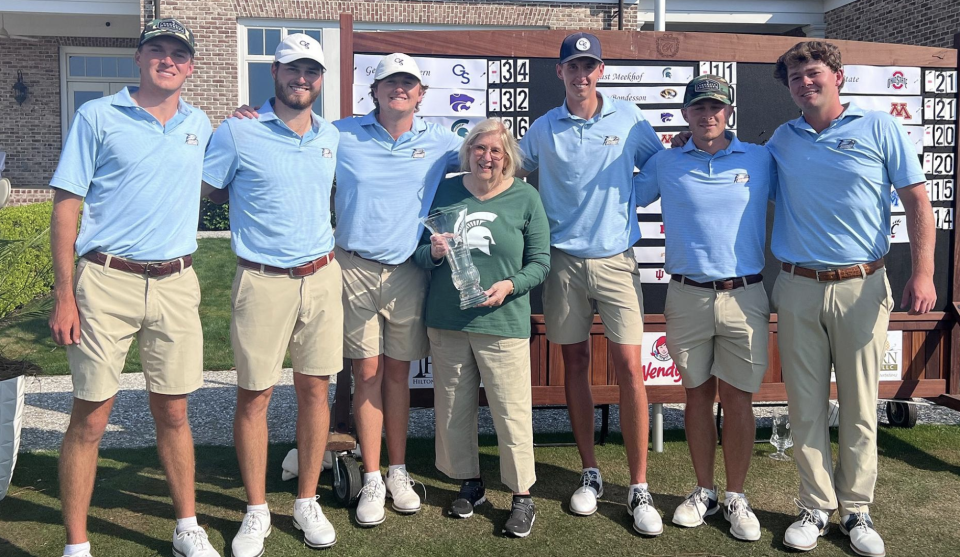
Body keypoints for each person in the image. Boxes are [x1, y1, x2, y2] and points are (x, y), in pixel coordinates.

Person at [232, 53, 462, 527]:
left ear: (421, 95)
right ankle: (373, 476)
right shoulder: (340, 133)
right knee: (367, 372)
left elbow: (492, 154)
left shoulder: (441, 141)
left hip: (407, 272)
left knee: (398, 375)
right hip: (351, 266)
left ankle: (397, 471)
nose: (399, 89)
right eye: (390, 82)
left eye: (409, 84)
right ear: (373, 91)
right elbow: (292, 133)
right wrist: (249, 115)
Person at [48, 19, 218, 557]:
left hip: (176, 282)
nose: (168, 60)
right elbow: (67, 206)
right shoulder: (96, 116)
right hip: (106, 280)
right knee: (92, 414)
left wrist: (245, 121)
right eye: (157, 50)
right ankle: (77, 544)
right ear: (139, 59)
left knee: (173, 411)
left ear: (190, 66)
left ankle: (187, 525)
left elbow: (222, 176)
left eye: (178, 54)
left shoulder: (201, 122)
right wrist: (63, 293)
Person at [768, 41, 935, 557]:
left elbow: (916, 200)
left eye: (813, 73)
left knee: (862, 406)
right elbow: (739, 170)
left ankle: (856, 509)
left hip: (863, 285)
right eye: (796, 78)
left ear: (837, 76)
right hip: (796, 285)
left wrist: (924, 272)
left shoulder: (880, 126)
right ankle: (815, 506)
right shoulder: (782, 137)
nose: (805, 83)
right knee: (805, 406)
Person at [517, 31, 666, 535]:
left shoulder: (628, 117)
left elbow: (660, 163)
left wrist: (632, 195)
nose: (581, 75)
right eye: (572, 67)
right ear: (559, 72)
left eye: (590, 66)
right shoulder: (544, 128)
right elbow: (509, 168)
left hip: (617, 260)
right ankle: (591, 473)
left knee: (629, 367)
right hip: (562, 262)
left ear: (600, 70)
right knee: (574, 363)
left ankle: (639, 486)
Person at [202, 34, 341, 554]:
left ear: (320, 79)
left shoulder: (331, 135)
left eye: (311, 70)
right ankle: (256, 510)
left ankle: (306, 500)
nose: (301, 78)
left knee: (315, 390)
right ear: (274, 74)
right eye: (291, 69)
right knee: (255, 394)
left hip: (322, 276)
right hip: (261, 280)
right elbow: (205, 188)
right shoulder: (238, 131)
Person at [634, 75, 776, 542]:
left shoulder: (760, 158)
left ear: (730, 112)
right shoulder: (667, 162)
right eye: (698, 108)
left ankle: (735, 495)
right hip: (687, 293)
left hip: (745, 293)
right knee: (696, 394)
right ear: (685, 114)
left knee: (738, 398)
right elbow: (623, 199)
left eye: (716, 107)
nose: (707, 115)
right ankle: (704, 490)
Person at [414, 118, 550, 538]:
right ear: (467, 151)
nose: (486, 157)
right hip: (449, 320)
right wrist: (433, 252)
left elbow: (541, 263)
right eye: (479, 148)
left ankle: (522, 496)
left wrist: (510, 285)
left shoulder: (526, 197)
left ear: (508, 156)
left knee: (511, 412)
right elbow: (417, 254)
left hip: (503, 321)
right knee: (454, 409)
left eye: (496, 151)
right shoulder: (445, 192)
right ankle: (469, 484)